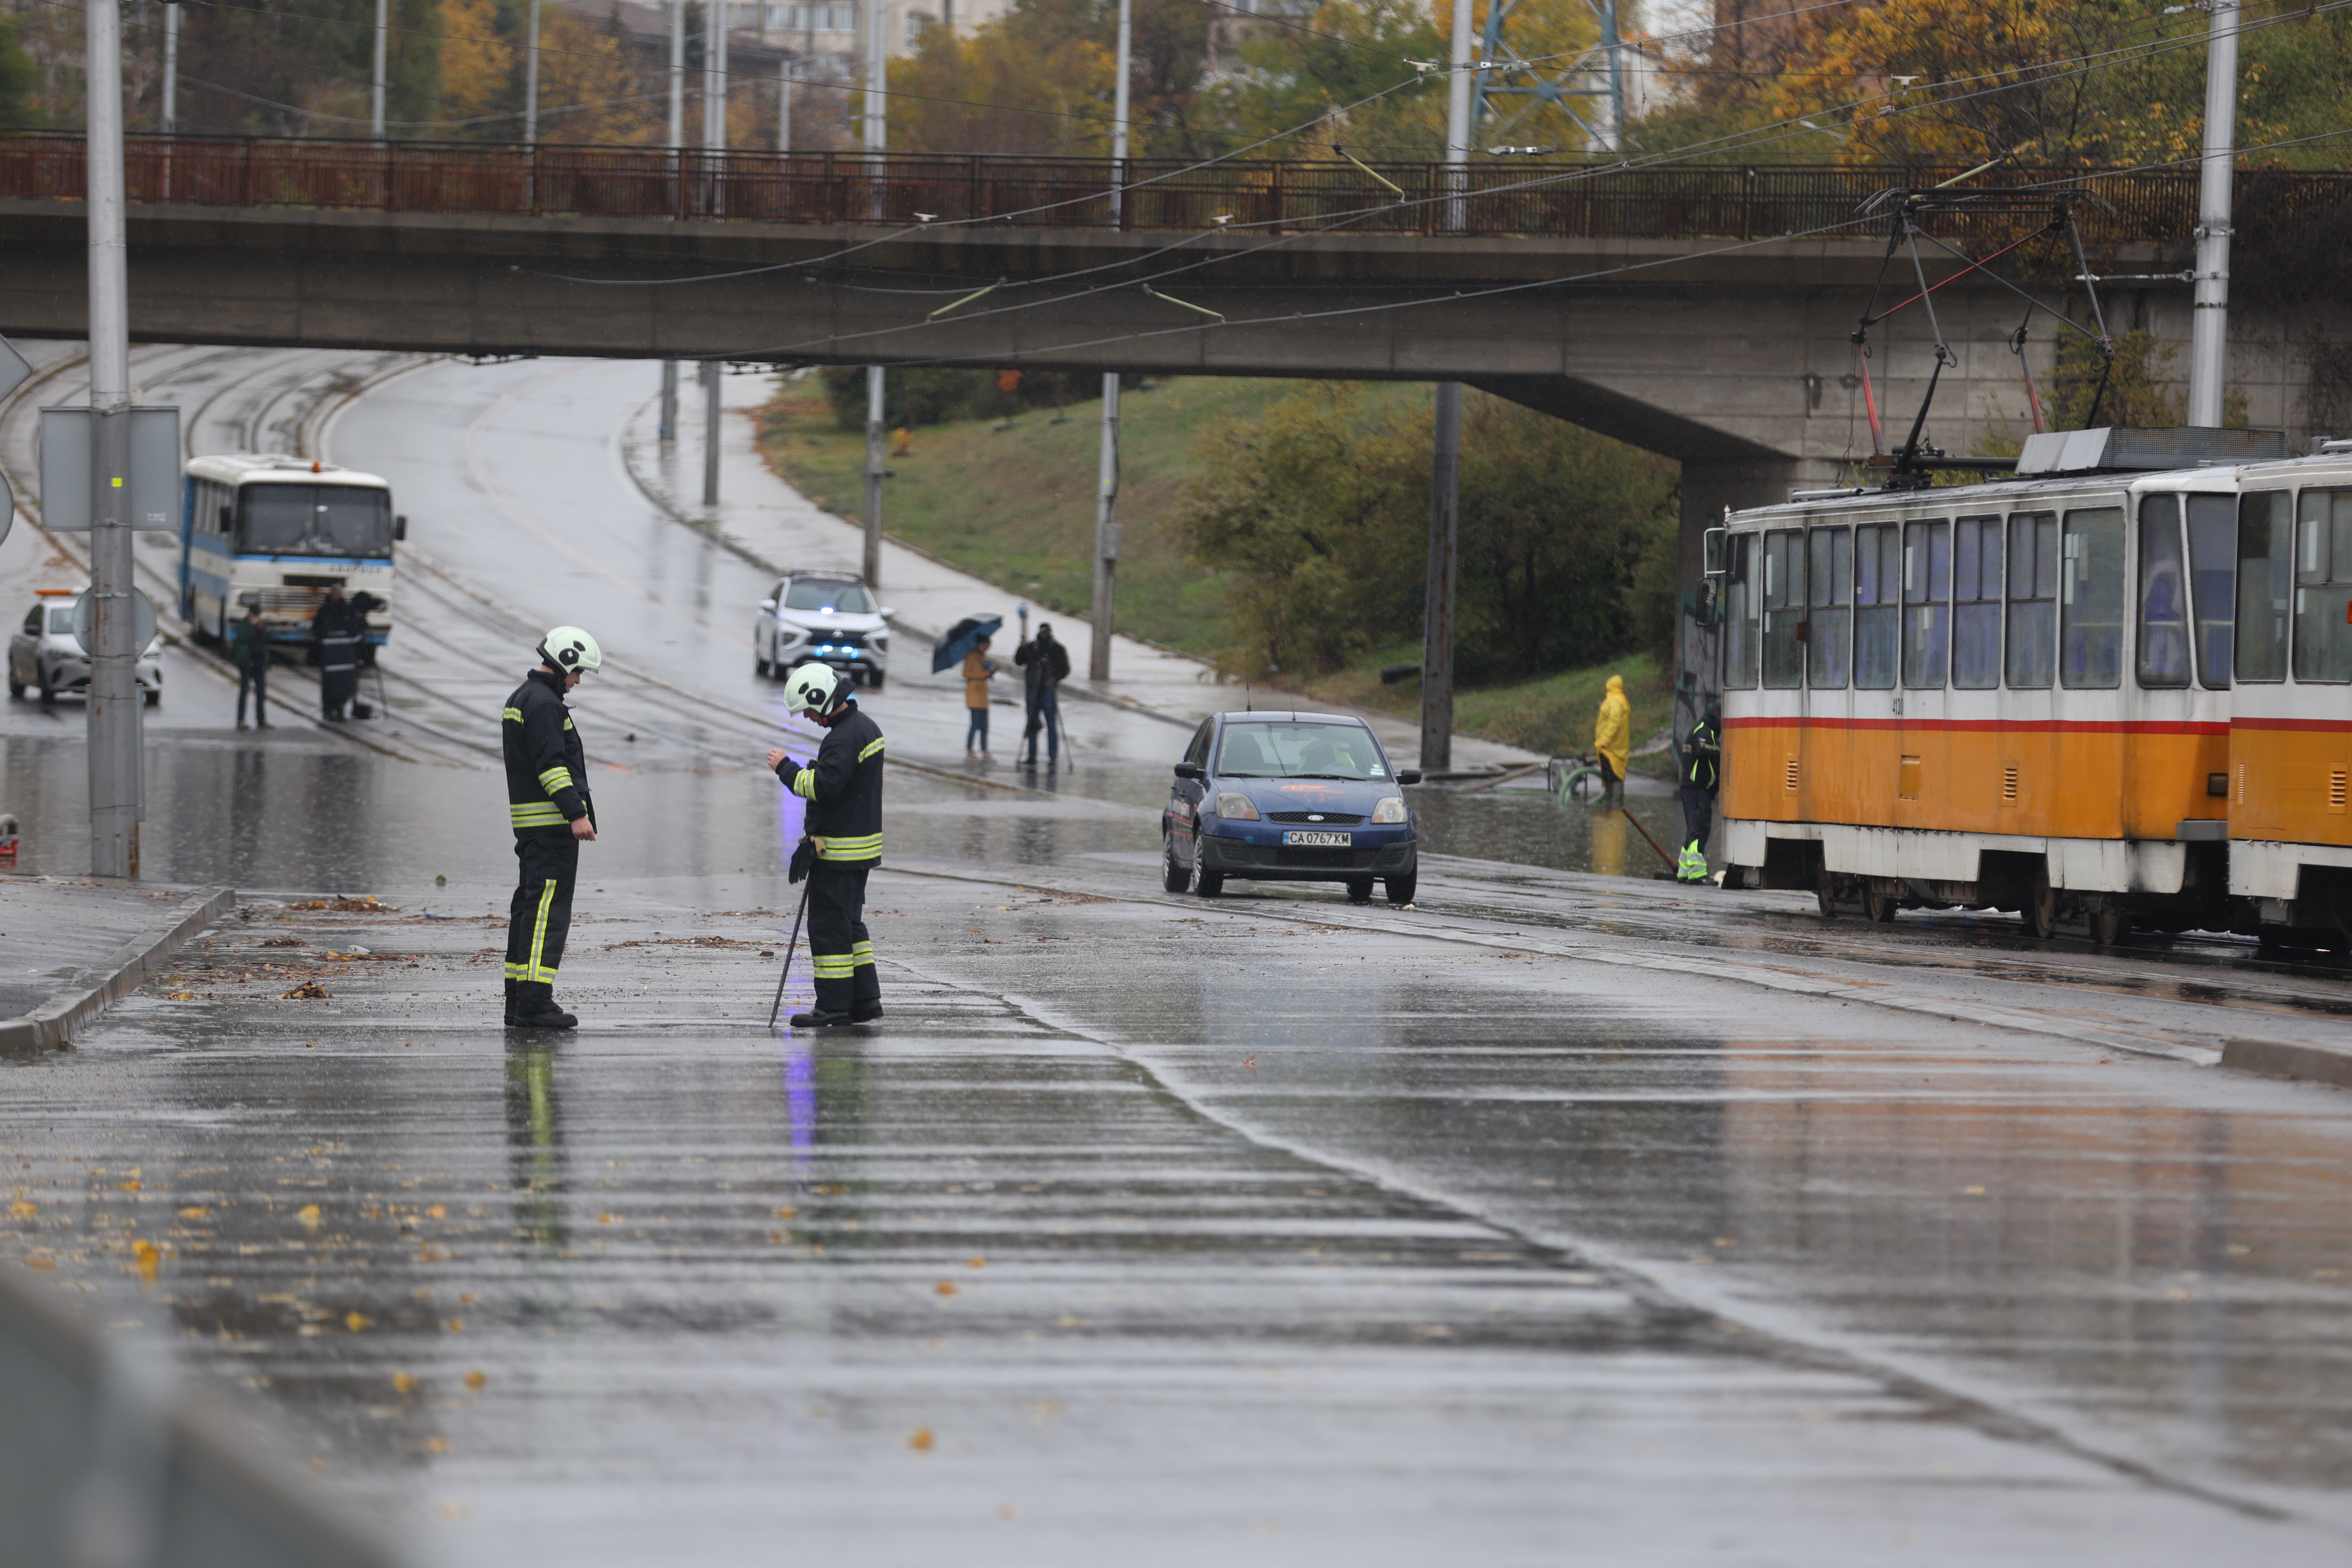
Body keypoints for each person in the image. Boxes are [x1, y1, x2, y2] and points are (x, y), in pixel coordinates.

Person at [767, 663, 886, 1028]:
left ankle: (834, 1006)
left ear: (821, 699)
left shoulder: (842, 737)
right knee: (851, 928)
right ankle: (865, 1000)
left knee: (829, 929)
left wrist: (786, 768)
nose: (808, 717)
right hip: (861, 851)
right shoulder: (865, 727)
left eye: (808, 709)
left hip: (838, 853)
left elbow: (824, 788)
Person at [502, 626, 603, 1030]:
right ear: (564, 663)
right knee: (547, 914)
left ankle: (519, 1000)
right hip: (552, 829)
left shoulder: (523, 698)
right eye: (578, 672)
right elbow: (552, 766)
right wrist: (576, 813)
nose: (577, 681)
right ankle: (535, 1003)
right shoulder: (545, 704)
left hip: (532, 829)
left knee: (528, 911)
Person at [1677, 697, 1721, 884]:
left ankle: (1684, 871)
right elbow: (1701, 749)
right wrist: (1721, 750)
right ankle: (1697, 875)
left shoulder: (1701, 728)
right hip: (1696, 789)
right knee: (1700, 830)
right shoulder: (1704, 731)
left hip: (1694, 789)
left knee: (1694, 829)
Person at [1014, 622, 1070, 767]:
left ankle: (1053, 757)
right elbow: (1019, 661)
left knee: (1051, 723)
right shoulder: (1032, 647)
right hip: (1033, 687)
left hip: (1048, 690)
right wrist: (1022, 648)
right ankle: (1031, 756)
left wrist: (1054, 678)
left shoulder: (1058, 649)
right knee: (1032, 722)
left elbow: (1065, 669)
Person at [310, 584, 364, 722]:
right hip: (335, 656)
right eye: (335, 593)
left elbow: (357, 630)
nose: (337, 595)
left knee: (340, 686)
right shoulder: (332, 611)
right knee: (333, 686)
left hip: (341, 657)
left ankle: (337, 710)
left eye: (339, 593)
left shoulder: (339, 611)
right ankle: (331, 710)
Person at [229, 599, 272, 731]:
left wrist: (262, 628)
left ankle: (261, 720)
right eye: (254, 615)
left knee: (261, 692)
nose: (256, 618)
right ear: (250, 614)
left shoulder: (260, 625)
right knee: (244, 691)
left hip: (259, 661)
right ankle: (241, 720)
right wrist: (254, 627)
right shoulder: (243, 624)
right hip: (247, 661)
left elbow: (268, 639)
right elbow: (243, 638)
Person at [1594, 673, 1631, 809]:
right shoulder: (1621, 699)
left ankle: (1614, 811)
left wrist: (1604, 741)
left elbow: (1615, 722)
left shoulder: (1615, 701)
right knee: (1613, 777)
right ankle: (1612, 812)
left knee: (1614, 778)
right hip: (1617, 748)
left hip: (1611, 749)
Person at [962, 634, 996, 759]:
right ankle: (970, 749)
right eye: (986, 646)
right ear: (980, 645)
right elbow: (966, 673)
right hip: (974, 695)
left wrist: (989, 673)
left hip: (983, 695)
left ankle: (985, 750)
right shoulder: (971, 656)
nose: (987, 649)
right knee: (975, 724)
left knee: (985, 725)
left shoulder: (983, 657)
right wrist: (983, 674)